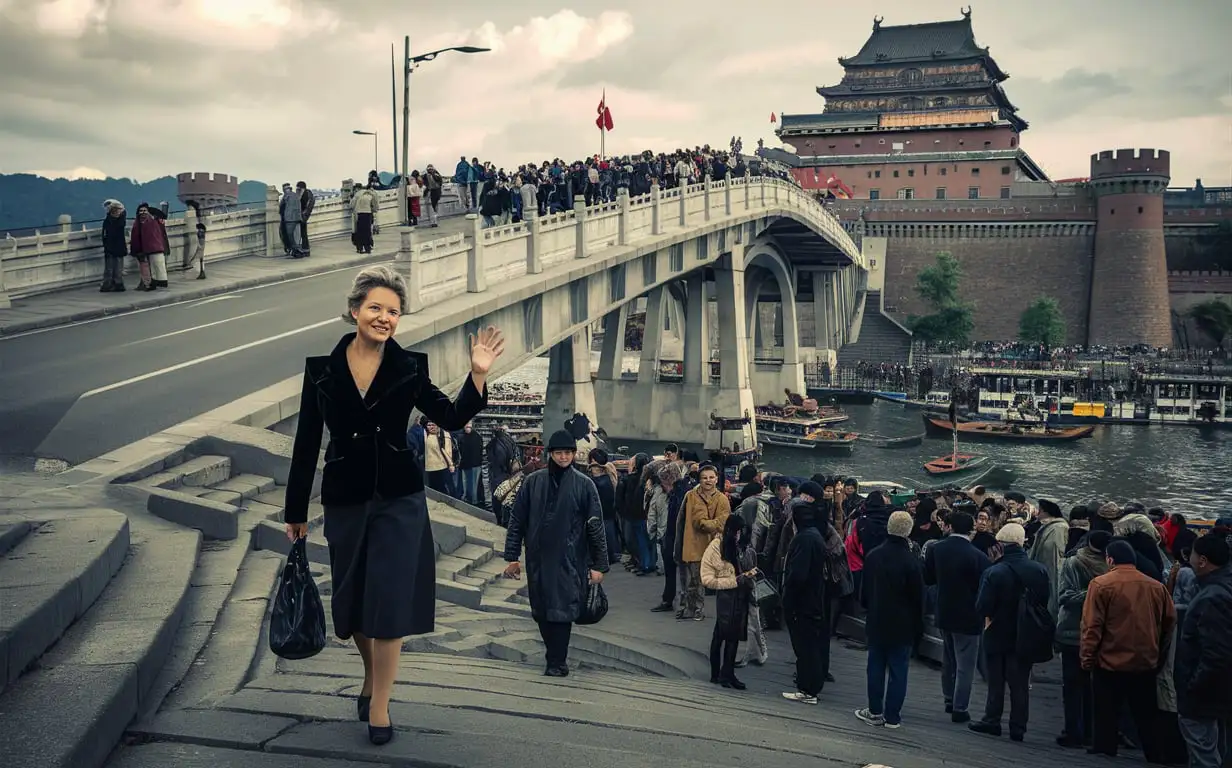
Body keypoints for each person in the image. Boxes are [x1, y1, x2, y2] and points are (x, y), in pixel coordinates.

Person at [283, 266, 500, 746]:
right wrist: (294, 511)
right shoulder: (320, 370)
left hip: (400, 499)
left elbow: (450, 415)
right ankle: (369, 675)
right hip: (345, 499)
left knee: (390, 601)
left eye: (394, 312)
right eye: (376, 308)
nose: (385, 318)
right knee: (352, 605)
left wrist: (477, 375)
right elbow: (305, 443)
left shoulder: (410, 367)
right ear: (356, 310)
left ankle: (380, 704)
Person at [502, 430, 610, 677]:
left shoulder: (584, 485)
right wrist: (512, 557)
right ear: (550, 454)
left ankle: (557, 662)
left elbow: (596, 525)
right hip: (538, 558)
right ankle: (554, 657)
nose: (563, 457)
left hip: (570, 558)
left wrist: (599, 565)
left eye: (568, 453)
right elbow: (517, 520)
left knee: (562, 611)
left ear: (574, 454)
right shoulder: (533, 482)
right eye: (559, 452)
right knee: (541, 610)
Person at [1080, 539, 1177, 761]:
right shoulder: (1156, 586)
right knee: (1146, 713)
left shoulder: (1101, 584)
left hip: (1109, 659)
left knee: (1106, 710)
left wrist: (1087, 658)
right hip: (1145, 660)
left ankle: (1105, 747)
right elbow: (1170, 621)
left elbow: (1091, 626)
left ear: (1110, 559)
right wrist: (1157, 651)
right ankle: (1154, 753)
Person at [969, 522, 1051, 741]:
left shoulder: (994, 571)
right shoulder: (1039, 570)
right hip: (1027, 633)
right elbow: (1044, 600)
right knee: (1020, 683)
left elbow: (982, 607)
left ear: (1001, 545)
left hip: (997, 630)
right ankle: (1018, 727)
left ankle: (992, 720)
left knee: (996, 681)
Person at [857, 510, 925, 729]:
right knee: (899, 670)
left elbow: (865, 592)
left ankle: (875, 711)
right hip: (903, 624)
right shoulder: (912, 561)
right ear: (908, 531)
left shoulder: (873, 555)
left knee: (875, 666)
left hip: (877, 619)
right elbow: (918, 598)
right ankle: (893, 717)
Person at [924, 510, 991, 724]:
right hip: (969, 616)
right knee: (965, 665)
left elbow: (928, 577)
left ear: (950, 527)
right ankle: (960, 708)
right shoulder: (978, 556)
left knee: (949, 659)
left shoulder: (936, 549)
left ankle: (948, 699)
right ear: (970, 530)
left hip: (944, 610)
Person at [1175, 533, 1232, 768]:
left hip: (1205, 694)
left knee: (1203, 753)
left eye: (1194, 554)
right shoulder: (1221, 586)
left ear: (1203, 560)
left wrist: (1193, 686)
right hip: (1218, 691)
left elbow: (1216, 653)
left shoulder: (1212, 597)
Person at [1054, 530, 1111, 748]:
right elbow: (1065, 597)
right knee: (1085, 685)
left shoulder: (1074, 562)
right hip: (1087, 633)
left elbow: (1063, 597)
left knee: (1075, 686)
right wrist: (1094, 592)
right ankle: (1080, 730)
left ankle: (1078, 731)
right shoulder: (1078, 563)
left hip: (1077, 632)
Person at [780, 481, 829, 706]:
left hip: (803, 602)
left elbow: (797, 575)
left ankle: (807, 688)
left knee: (804, 646)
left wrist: (787, 598)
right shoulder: (816, 536)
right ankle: (811, 685)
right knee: (812, 645)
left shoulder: (803, 539)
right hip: (815, 599)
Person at [700, 516, 756, 690]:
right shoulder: (716, 547)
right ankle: (720, 674)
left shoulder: (741, 547)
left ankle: (726, 673)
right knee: (724, 635)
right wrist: (734, 581)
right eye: (737, 531)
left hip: (740, 596)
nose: (739, 535)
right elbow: (707, 579)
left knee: (731, 635)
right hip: (726, 597)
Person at [680, 464, 731, 621]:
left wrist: (709, 523)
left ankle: (696, 609)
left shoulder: (722, 499)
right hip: (693, 543)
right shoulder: (691, 496)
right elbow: (694, 521)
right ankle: (693, 608)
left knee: (700, 579)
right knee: (693, 580)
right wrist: (712, 523)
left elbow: (724, 521)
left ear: (716, 479)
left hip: (713, 545)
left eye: (711, 477)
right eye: (704, 478)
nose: (708, 481)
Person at [100, 200, 127, 292]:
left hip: (116, 247)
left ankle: (115, 284)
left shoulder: (118, 221)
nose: (117, 212)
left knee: (116, 268)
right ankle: (110, 284)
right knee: (110, 268)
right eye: (115, 210)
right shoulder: (111, 221)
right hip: (112, 247)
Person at [456, 423, 484, 506]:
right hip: (471, 463)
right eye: (467, 426)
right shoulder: (477, 436)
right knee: (472, 483)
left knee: (471, 483)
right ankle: (471, 499)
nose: (468, 428)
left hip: (472, 464)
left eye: (469, 426)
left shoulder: (462, 437)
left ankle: (472, 500)